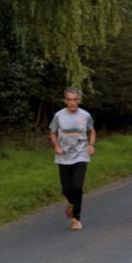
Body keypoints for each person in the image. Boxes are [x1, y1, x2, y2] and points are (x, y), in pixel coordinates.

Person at [49, 87, 96, 230]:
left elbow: (92, 131)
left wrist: (91, 145)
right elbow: (52, 132)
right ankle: (70, 202)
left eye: (75, 99)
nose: (72, 103)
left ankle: (76, 219)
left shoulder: (85, 115)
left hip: (81, 154)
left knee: (77, 187)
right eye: (69, 100)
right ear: (65, 101)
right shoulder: (58, 116)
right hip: (63, 156)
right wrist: (56, 145)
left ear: (79, 100)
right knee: (66, 190)